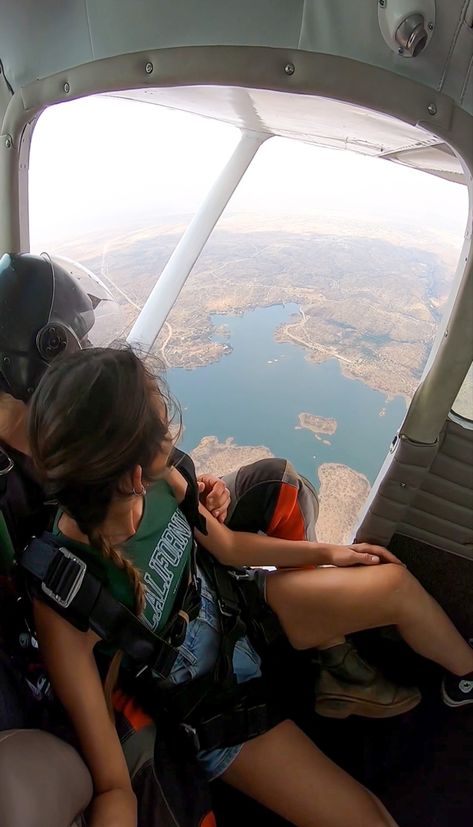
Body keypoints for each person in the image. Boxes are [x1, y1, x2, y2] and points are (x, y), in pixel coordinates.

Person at [24, 346, 473, 827]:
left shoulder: (161, 481)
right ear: (133, 476)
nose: (172, 438)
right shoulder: (67, 593)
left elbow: (232, 548)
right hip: (215, 707)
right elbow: (114, 785)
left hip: (241, 610)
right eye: (161, 428)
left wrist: (330, 554)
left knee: (395, 586)